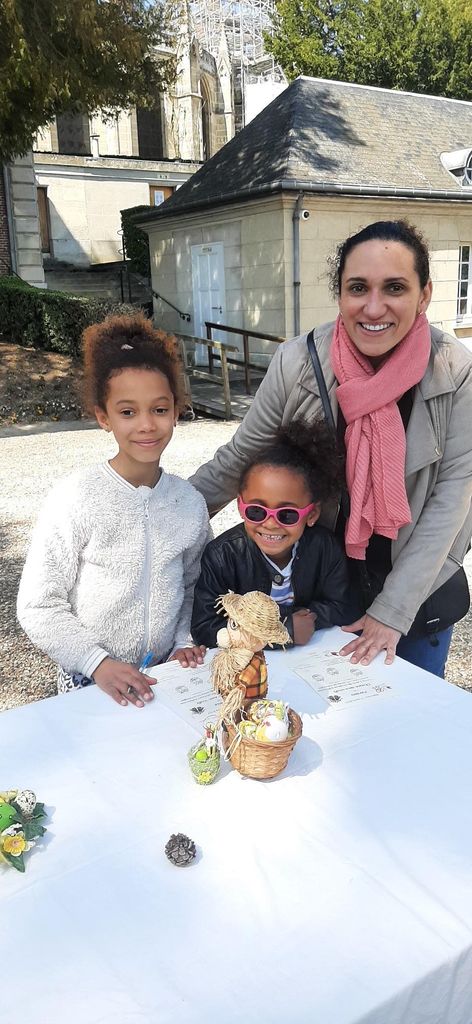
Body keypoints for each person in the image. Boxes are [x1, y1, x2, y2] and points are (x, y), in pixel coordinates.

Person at [190, 220, 472, 677]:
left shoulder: (456, 372)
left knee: (409, 730)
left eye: (395, 287)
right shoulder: (300, 361)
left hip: (417, 596)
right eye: (358, 287)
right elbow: (240, 458)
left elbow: (451, 502)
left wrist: (392, 611)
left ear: (424, 296)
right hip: (325, 588)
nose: (374, 306)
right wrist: (161, 523)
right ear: (339, 294)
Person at [17, 313, 209, 708]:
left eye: (159, 409)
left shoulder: (189, 502)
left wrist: (183, 641)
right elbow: (39, 605)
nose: (146, 425)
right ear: (103, 416)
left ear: (176, 410)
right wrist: (97, 663)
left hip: (163, 676)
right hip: (88, 680)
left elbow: (192, 585)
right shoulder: (76, 497)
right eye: (127, 412)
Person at [191, 419, 354, 649]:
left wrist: (301, 622)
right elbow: (204, 627)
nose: (270, 523)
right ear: (240, 506)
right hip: (244, 671)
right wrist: (283, 628)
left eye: (287, 514)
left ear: (312, 513)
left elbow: (340, 605)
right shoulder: (222, 556)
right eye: (256, 511)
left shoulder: (325, 548)